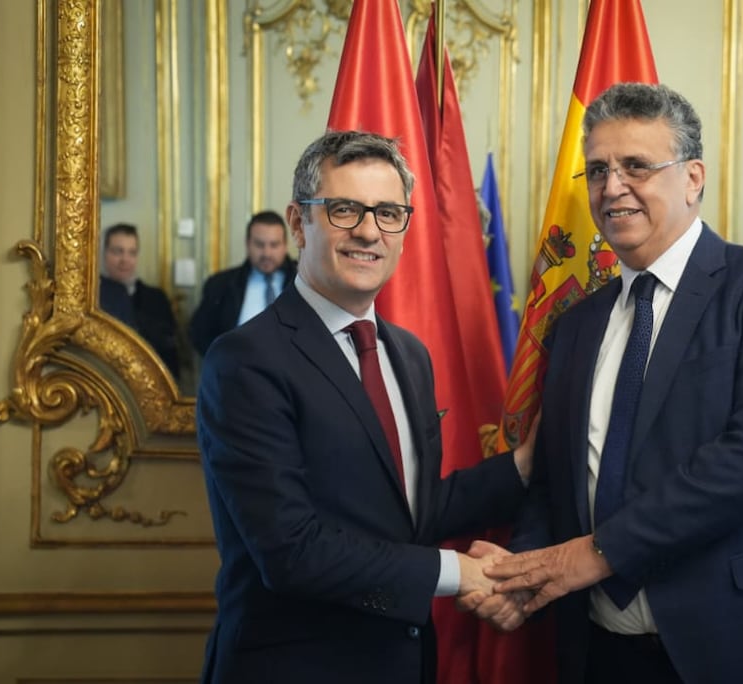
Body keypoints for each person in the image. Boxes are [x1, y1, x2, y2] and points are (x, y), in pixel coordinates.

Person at [467, 83, 743, 683]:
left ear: (692, 178)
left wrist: (598, 552)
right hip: (603, 654)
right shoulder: (576, 325)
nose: (612, 187)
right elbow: (556, 480)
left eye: (636, 166)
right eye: (598, 170)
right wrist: (525, 576)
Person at [196, 130, 533, 684]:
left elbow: (412, 510)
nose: (369, 231)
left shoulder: (409, 354)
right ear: (299, 223)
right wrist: (458, 572)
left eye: (388, 213)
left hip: (404, 664)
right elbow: (291, 551)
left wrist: (522, 467)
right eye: (344, 209)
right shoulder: (245, 361)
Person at [189, 210, 298, 356]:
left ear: (285, 246)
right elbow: (199, 334)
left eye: (274, 245)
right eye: (259, 245)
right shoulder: (220, 285)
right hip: (236, 367)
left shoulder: (304, 282)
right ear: (247, 244)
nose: (266, 253)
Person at [100, 222, 181, 379]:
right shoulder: (91, 296)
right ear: (104, 253)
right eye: (118, 251)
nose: (125, 259)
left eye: (132, 252)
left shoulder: (157, 298)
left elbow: (170, 355)